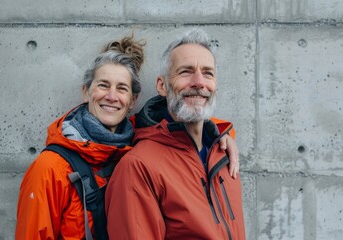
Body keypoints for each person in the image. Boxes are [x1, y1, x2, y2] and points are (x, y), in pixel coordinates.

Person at [15, 34, 240, 240]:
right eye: (103, 85)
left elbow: (187, 123)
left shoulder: (132, 141)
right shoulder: (50, 168)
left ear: (132, 101)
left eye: (122, 88)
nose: (112, 97)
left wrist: (224, 136)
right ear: (86, 91)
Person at [105, 29, 246, 239]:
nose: (199, 82)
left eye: (208, 73)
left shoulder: (223, 154)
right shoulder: (138, 167)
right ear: (162, 86)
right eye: (186, 72)